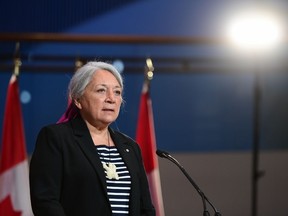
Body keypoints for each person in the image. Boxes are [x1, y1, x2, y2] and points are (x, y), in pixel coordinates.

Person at [29, 61, 156, 216]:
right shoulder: (56, 138)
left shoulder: (130, 147)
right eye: (101, 90)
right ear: (77, 99)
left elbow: (145, 208)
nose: (111, 98)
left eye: (117, 92)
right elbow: (45, 202)